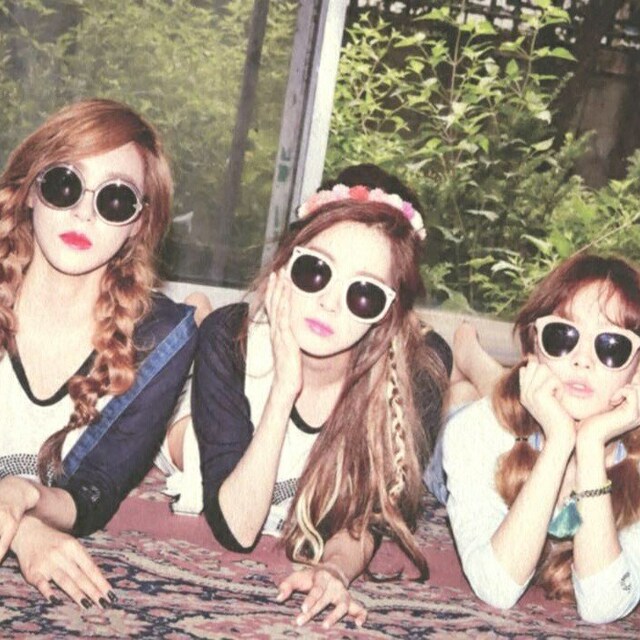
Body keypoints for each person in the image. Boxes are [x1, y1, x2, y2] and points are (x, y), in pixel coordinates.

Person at [164, 169, 451, 627]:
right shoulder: (230, 339)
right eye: (315, 271)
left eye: (364, 294)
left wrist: (334, 569)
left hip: (388, 354)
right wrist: (284, 389)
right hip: (205, 425)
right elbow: (238, 529)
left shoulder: (415, 374)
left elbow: (372, 518)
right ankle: (196, 308)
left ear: (388, 314)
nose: (329, 303)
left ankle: (473, 359)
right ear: (283, 266)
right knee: (184, 370)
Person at [0, 99, 197, 609]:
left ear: (137, 223)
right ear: (30, 192)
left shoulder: (158, 337)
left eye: (115, 198)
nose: (84, 212)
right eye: (64, 184)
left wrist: (23, 495)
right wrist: (24, 532)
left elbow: (95, 491)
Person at [441, 253, 640, 623]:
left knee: (495, 388)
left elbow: (603, 605)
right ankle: (467, 355)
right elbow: (497, 586)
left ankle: (474, 361)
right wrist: (560, 441)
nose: (582, 360)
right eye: (562, 336)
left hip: (526, 407)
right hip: (489, 428)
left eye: (612, 346)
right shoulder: (476, 432)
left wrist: (590, 445)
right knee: (457, 402)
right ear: (533, 348)